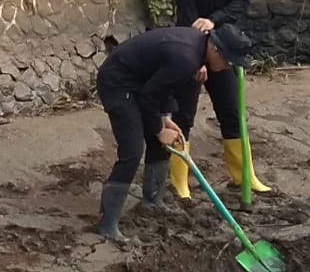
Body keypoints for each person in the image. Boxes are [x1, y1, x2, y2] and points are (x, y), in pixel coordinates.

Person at [94, 24, 251, 242]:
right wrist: (159, 130)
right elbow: (149, 96)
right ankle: (107, 223)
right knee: (132, 150)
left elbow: (163, 85)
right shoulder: (187, 57)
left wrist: (165, 117)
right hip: (118, 82)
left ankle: (152, 201)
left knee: (160, 142)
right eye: (228, 61)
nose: (226, 67)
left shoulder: (196, 51)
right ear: (216, 48)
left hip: (141, 80)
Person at [168, 0, 269, 200]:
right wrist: (197, 59)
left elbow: (242, 1)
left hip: (224, 48)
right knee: (183, 115)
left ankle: (244, 176)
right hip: (191, 46)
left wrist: (215, 20)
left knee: (232, 112)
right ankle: (179, 181)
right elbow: (188, 14)